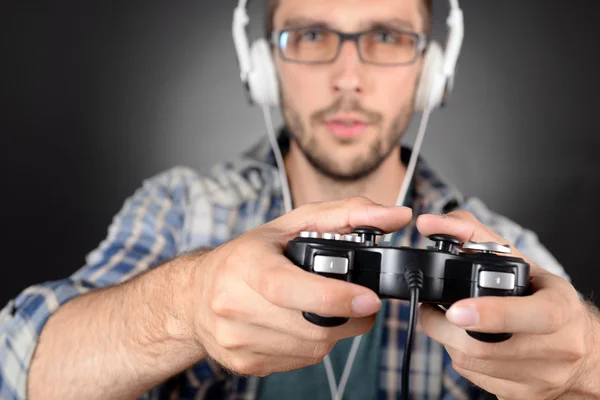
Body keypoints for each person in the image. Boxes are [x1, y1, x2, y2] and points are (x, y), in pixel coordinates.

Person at [1, 0, 599, 399]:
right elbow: (16, 366)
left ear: (431, 71)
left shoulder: (508, 250)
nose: (347, 78)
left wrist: (586, 363)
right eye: (311, 36)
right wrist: (184, 303)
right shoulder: (182, 207)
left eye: (387, 38)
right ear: (261, 66)